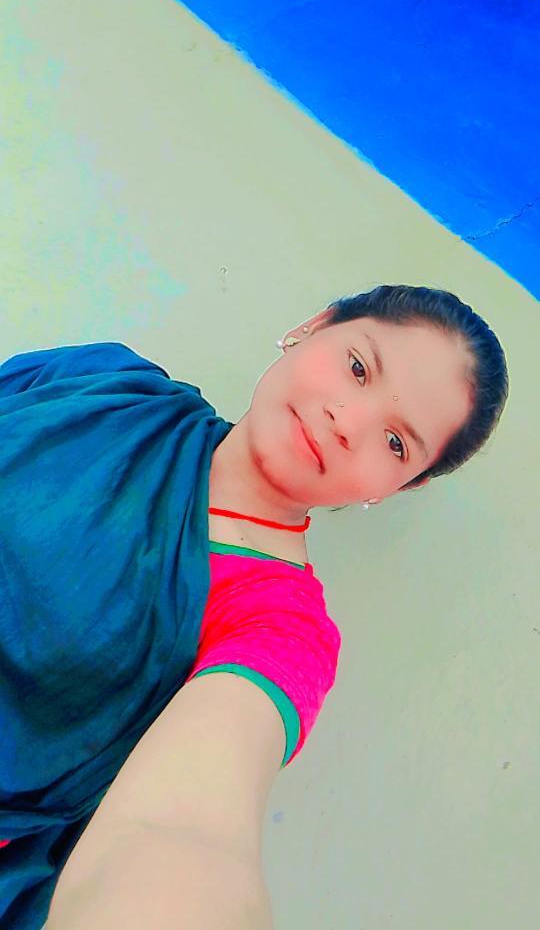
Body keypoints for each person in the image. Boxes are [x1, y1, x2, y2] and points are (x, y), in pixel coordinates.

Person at [0, 284, 508, 928]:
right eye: (358, 368)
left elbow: (184, 835)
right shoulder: (106, 380)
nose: (348, 423)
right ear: (313, 326)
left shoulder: (281, 628)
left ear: (401, 487)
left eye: (396, 443)